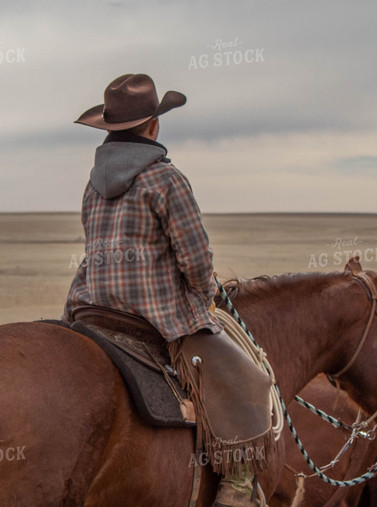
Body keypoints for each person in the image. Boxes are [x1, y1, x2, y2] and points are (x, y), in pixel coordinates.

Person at [63, 73, 266, 507]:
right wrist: (205, 290)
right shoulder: (166, 179)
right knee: (246, 378)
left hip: (92, 308)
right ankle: (238, 485)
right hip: (156, 318)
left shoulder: (92, 186)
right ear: (154, 126)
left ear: (110, 129)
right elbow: (195, 260)